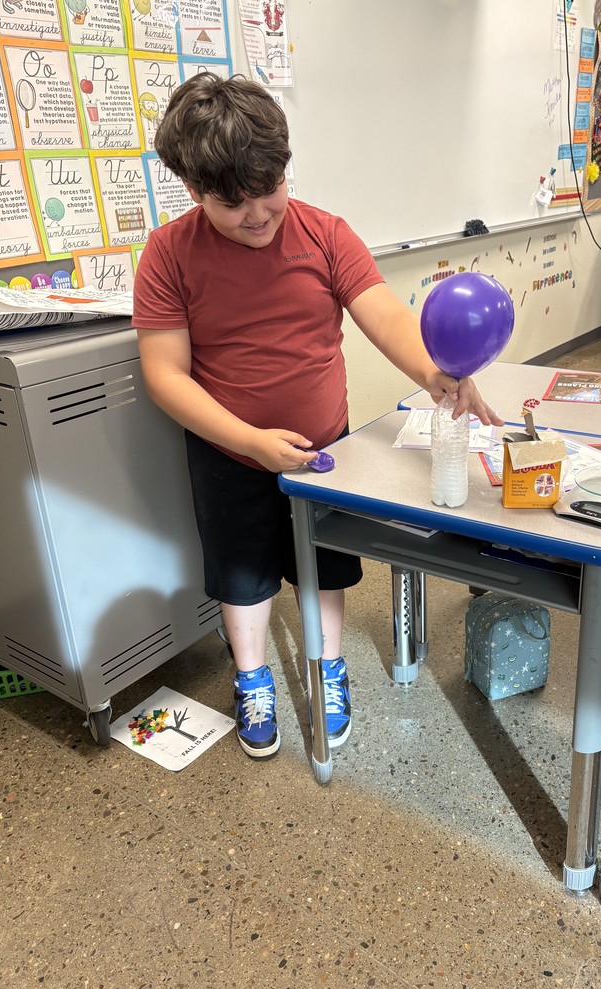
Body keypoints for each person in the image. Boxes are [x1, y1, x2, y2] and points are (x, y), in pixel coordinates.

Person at [132, 73, 502, 761]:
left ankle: (328, 670)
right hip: (228, 452)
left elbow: (385, 314)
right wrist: (247, 440)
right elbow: (164, 373)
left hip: (325, 451)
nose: (259, 215)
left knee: (325, 570)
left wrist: (435, 374)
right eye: (232, 203)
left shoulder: (325, 235)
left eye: (269, 189)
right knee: (241, 575)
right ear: (192, 189)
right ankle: (252, 680)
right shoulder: (167, 257)